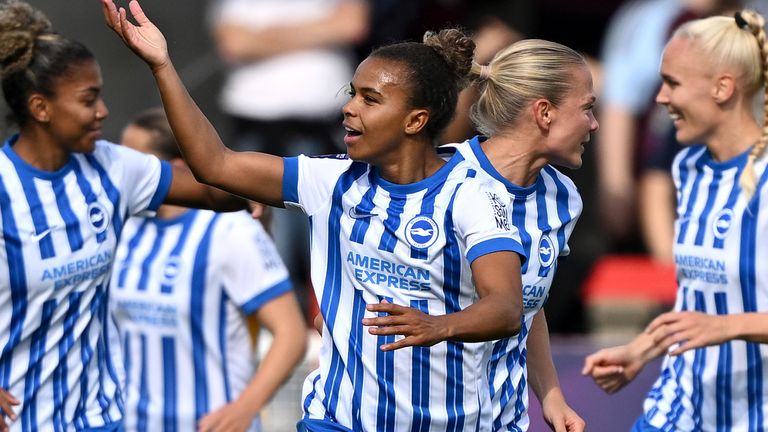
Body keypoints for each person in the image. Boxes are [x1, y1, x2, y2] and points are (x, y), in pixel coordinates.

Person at [102, 1, 527, 431]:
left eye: (370, 99)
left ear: (415, 120)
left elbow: (506, 308)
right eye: (352, 93)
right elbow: (216, 165)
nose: (349, 108)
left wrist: (437, 325)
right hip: (335, 421)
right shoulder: (328, 179)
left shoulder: (474, 194)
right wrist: (162, 66)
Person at [0, 1, 246, 430]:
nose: (103, 112)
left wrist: (162, 68)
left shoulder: (113, 167)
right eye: (88, 99)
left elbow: (222, 188)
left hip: (102, 420)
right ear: (40, 108)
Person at [583, 9, 768, 430]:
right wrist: (643, 349)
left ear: (723, 88)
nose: (661, 99)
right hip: (680, 408)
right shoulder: (688, 167)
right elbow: (696, 299)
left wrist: (727, 326)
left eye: (673, 84)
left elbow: (716, 319)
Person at [111, 108, 307, 431]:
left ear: (175, 168)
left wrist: (246, 407)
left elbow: (291, 335)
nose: (121, 172)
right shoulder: (126, 228)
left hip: (209, 424)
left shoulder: (229, 229)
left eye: (135, 162)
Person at [438, 39, 596, 432]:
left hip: (502, 421)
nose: (594, 125)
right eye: (587, 109)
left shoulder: (563, 198)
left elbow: (528, 303)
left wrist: (552, 397)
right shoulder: (440, 178)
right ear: (544, 112)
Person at [208, 0, 371, 318]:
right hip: (257, 130)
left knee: (329, 231)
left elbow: (352, 26)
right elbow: (235, 42)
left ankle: (327, 326)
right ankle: (279, 331)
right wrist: (320, 30)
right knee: (265, 235)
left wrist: (267, 37)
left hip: (325, 129)